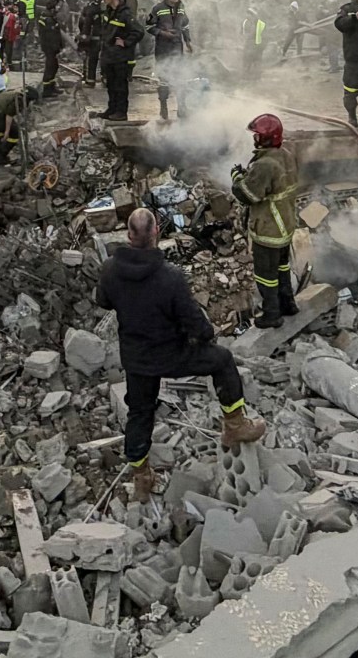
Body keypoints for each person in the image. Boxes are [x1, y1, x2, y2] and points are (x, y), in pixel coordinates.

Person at [96, 208, 267, 500]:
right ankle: (235, 425)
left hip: (137, 359)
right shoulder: (170, 277)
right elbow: (194, 322)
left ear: (128, 234)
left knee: (140, 413)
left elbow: (103, 301)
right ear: (156, 233)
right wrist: (206, 335)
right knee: (222, 360)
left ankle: (141, 477)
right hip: (174, 354)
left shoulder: (110, 269)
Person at [231, 114, 301, 328]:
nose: (255, 139)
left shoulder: (265, 165)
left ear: (267, 138)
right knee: (282, 267)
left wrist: (237, 179)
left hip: (269, 229)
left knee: (265, 275)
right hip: (285, 224)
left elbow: (248, 195)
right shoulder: (286, 154)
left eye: (257, 135)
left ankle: (272, 314)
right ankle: (288, 304)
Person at [146, 0, 194, 122]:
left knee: (180, 78)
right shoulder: (158, 9)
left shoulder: (181, 7)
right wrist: (162, 33)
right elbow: (149, 26)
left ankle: (182, 108)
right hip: (163, 48)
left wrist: (187, 41)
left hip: (177, 47)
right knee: (164, 80)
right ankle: (163, 107)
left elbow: (185, 25)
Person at [98, 0, 143, 121]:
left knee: (120, 86)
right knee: (110, 85)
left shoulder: (125, 14)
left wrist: (126, 42)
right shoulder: (108, 11)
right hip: (108, 55)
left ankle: (121, 112)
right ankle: (112, 109)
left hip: (120, 57)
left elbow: (138, 31)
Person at [37, 0, 66, 99]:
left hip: (51, 48)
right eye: (57, 6)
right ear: (52, 7)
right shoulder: (48, 20)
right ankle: (47, 90)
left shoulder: (49, 17)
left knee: (54, 66)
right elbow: (52, 37)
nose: (58, 8)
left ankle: (52, 87)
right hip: (50, 48)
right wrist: (58, 48)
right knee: (50, 67)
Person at [78, 0, 104, 86]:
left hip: (94, 39)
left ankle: (89, 80)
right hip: (106, 38)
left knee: (91, 59)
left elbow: (85, 24)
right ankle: (105, 78)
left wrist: (83, 35)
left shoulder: (91, 9)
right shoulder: (108, 8)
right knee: (105, 59)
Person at [241, 3, 268, 74]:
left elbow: (264, 35)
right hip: (250, 44)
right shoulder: (246, 22)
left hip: (257, 44)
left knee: (255, 60)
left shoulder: (260, 24)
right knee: (247, 58)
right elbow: (243, 33)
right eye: (247, 14)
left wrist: (263, 45)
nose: (247, 15)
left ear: (253, 15)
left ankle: (255, 73)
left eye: (249, 14)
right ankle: (247, 71)